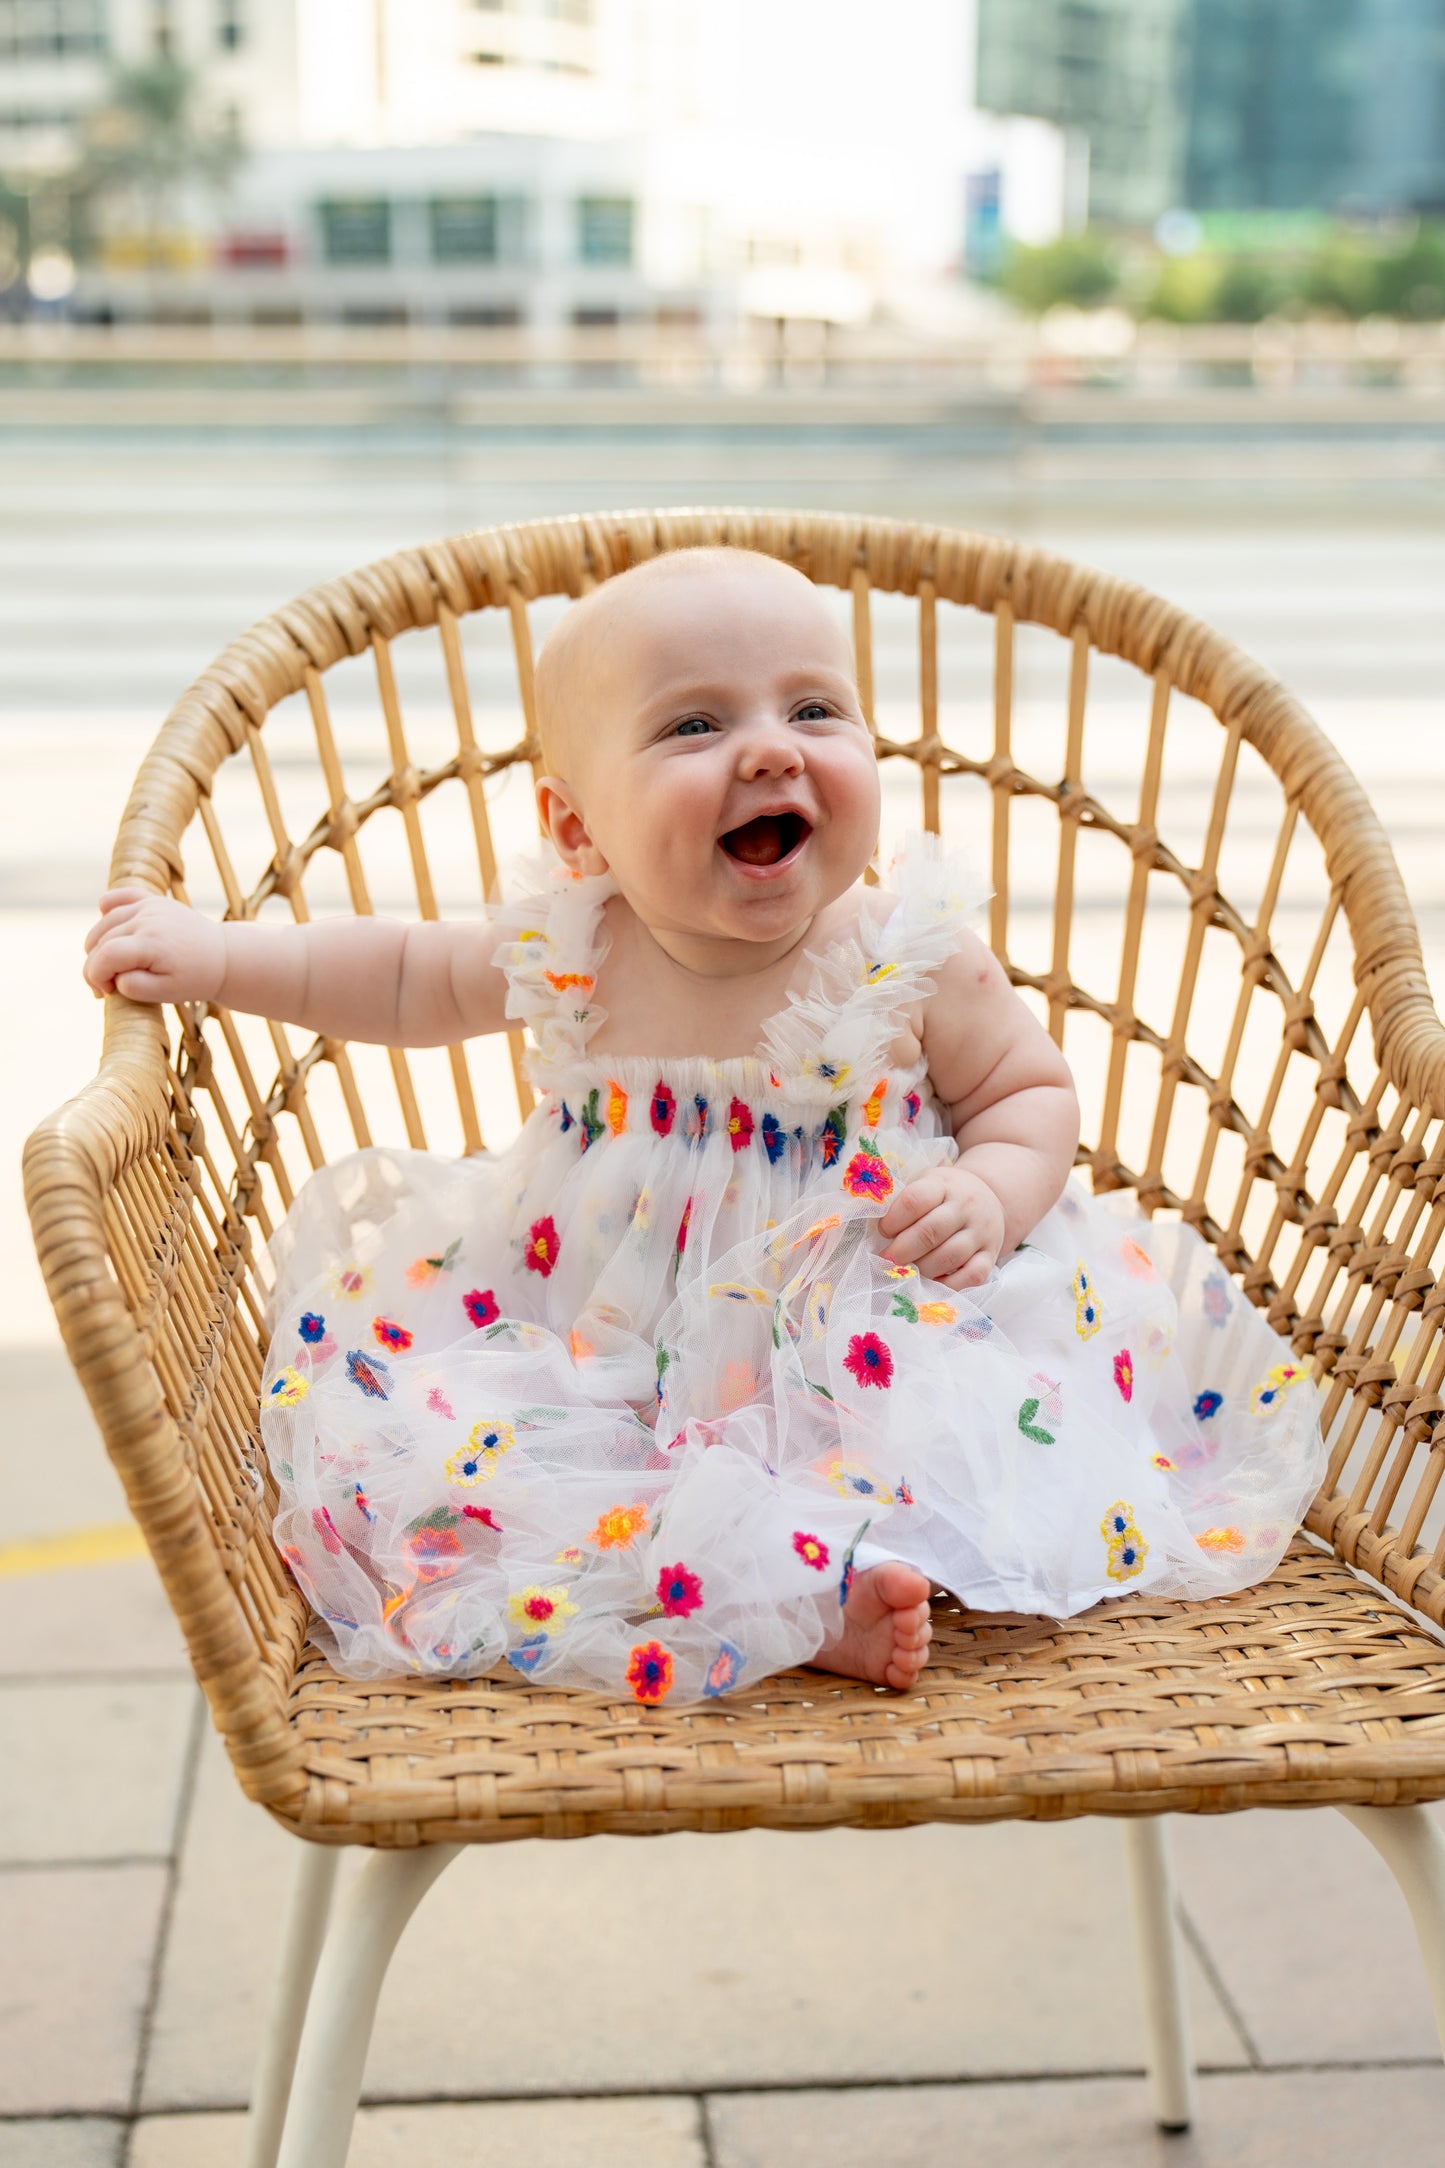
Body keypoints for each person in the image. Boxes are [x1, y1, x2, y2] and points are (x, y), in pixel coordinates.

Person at [82, 546, 1326, 1706]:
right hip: (607, 1343)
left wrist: (993, 1193)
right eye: (695, 723)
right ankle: (792, 1598)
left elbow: (1027, 1092)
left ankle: (828, 1576)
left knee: (932, 1453)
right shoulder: (574, 940)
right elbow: (400, 977)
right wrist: (220, 956)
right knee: (538, 1471)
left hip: (859, 1334)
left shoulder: (904, 954)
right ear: (577, 827)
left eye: (813, 710)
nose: (771, 752)